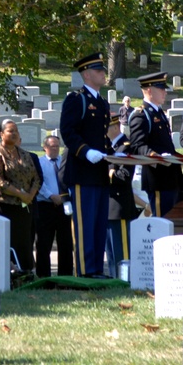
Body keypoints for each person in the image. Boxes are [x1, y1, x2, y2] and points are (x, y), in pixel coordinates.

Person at [58, 52, 110, 278]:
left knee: (99, 224)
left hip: (99, 172)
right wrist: (86, 151)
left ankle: (97, 268)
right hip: (81, 171)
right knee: (85, 224)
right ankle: (84, 270)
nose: (103, 74)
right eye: (99, 71)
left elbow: (103, 138)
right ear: (87, 74)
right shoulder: (76, 99)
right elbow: (68, 132)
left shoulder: (102, 103)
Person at [0, 119, 41, 274]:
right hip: (1, 205)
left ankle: (25, 273)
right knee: (3, 242)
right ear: (1, 134)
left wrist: (30, 195)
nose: (15, 133)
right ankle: (4, 274)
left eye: (16, 130)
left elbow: (36, 177)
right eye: (10, 130)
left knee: (23, 241)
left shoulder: (24, 154)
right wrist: (20, 194)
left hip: (23, 206)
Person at [130, 71, 183, 217]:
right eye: (161, 88)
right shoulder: (141, 115)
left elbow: (167, 146)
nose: (165, 92)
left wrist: (179, 158)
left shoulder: (159, 114)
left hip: (171, 178)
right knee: (162, 222)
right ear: (149, 90)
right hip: (158, 179)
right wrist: (157, 157)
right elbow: (137, 145)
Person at [106, 114, 148, 278]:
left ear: (116, 127)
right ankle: (114, 278)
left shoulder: (126, 146)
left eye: (106, 127)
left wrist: (108, 173)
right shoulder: (108, 147)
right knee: (111, 251)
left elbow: (123, 176)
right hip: (108, 204)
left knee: (122, 249)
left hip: (120, 206)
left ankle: (125, 280)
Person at [34, 135, 73, 278]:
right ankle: (44, 276)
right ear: (45, 147)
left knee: (66, 243)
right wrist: (51, 195)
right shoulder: (39, 162)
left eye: (57, 146)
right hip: (46, 206)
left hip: (64, 206)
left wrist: (65, 196)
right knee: (44, 243)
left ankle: (65, 276)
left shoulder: (64, 162)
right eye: (52, 146)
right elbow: (38, 182)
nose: (55, 148)